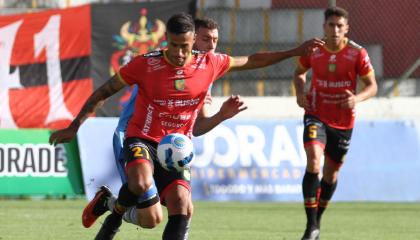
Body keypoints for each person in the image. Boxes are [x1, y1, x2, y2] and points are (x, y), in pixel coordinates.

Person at [49, 13, 323, 240]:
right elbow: (103, 92)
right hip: (142, 138)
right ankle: (115, 218)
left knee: (173, 210)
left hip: (177, 148)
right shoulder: (146, 64)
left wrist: (295, 52)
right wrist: (75, 126)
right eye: (175, 45)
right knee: (142, 182)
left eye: (185, 46)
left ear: (193, 42)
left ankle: (109, 204)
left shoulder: (209, 63)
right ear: (166, 40)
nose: (180, 53)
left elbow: (251, 60)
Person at [99, 17, 246, 237]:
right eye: (206, 39)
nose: (212, 46)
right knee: (149, 210)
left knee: (178, 208)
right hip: (137, 137)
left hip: (168, 145)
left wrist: (221, 116)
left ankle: (110, 204)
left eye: (215, 40)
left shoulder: (204, 70)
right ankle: (113, 210)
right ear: (193, 39)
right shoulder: (157, 65)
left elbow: (197, 127)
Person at [293, 7, 377, 240]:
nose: (335, 30)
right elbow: (299, 72)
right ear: (324, 27)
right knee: (313, 162)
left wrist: (356, 99)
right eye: (331, 25)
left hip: (342, 122)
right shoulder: (314, 49)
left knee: (330, 175)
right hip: (316, 114)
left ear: (347, 28)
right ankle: (310, 227)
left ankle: (317, 222)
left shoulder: (357, 54)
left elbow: (372, 86)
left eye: (340, 26)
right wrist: (300, 93)